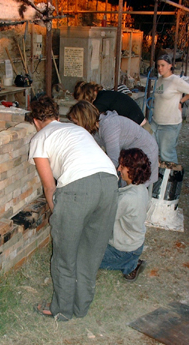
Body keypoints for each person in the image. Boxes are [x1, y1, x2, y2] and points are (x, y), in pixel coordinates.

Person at [28, 96, 118, 321]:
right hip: (109, 183)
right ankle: (81, 307)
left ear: (36, 122)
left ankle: (62, 309)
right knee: (90, 253)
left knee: (64, 256)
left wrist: (55, 213)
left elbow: (50, 187)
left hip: (77, 188)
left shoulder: (39, 138)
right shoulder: (76, 130)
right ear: (58, 117)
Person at [67, 100, 158, 188]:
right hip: (131, 152)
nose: (76, 126)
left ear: (84, 120)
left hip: (144, 150)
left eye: (76, 123)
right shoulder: (95, 130)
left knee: (132, 187)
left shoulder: (109, 126)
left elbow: (114, 160)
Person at [99, 148, 151, 282]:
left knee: (82, 257)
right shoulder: (142, 189)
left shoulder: (127, 198)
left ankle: (130, 265)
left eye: (123, 166)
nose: (119, 168)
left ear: (132, 170)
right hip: (134, 243)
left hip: (122, 250)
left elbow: (101, 219)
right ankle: (132, 260)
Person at [151, 54, 189, 164]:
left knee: (166, 153)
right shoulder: (159, 80)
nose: (160, 68)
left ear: (170, 66)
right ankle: (159, 177)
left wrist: (181, 101)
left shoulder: (175, 81)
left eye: (163, 65)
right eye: (158, 66)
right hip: (155, 121)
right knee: (150, 148)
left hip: (169, 124)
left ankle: (172, 178)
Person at [74, 81, 147, 126]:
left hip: (138, 126)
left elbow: (91, 123)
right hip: (140, 121)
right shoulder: (104, 95)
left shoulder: (99, 102)